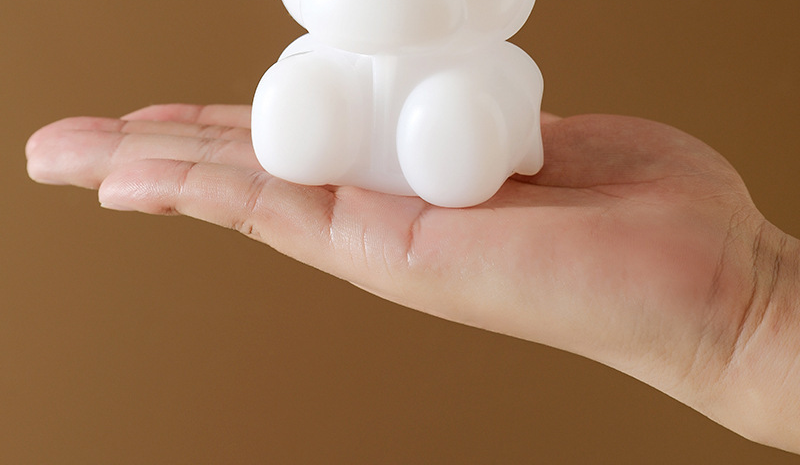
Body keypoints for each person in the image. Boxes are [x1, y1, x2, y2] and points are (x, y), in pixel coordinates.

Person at [25, 104, 799, 452]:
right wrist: (757, 312)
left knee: (453, 121)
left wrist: (758, 312)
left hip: (455, 98)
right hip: (347, 91)